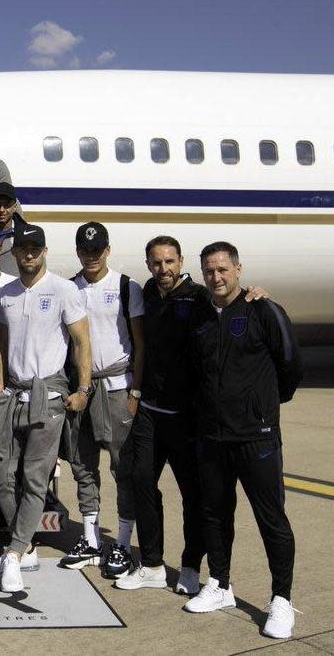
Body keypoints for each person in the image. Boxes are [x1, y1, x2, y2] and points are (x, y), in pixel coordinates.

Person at [184, 242, 302, 640]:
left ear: (238, 269)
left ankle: (281, 600)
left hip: (257, 437)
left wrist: (263, 409)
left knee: (272, 520)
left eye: (223, 270)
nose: (216, 278)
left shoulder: (263, 310)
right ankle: (220, 584)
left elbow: (290, 366)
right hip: (213, 437)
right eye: (209, 271)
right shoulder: (200, 316)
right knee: (215, 515)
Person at [0, 223, 92, 593]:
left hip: (49, 394)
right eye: (22, 249)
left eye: (35, 249)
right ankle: (24, 544)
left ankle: (14, 554)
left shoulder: (64, 290)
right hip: (11, 393)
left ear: (44, 252)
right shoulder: (5, 294)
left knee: (33, 477)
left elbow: (81, 341)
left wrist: (83, 388)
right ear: (13, 253)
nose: (28, 255)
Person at [113, 235, 207, 595]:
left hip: (185, 416)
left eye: (169, 262)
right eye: (156, 262)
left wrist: (255, 294)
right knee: (141, 483)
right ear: (148, 263)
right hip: (150, 411)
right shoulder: (148, 292)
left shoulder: (198, 299)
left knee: (192, 495)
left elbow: (232, 305)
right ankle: (152, 564)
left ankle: (189, 566)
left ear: (181, 262)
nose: (163, 269)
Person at [59, 222, 145, 578]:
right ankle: (92, 538)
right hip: (82, 387)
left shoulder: (127, 287)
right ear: (78, 252)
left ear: (107, 250)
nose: (91, 256)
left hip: (117, 387)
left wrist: (136, 392)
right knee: (82, 465)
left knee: (122, 469)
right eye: (84, 250)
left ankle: (123, 542)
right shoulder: (69, 288)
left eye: (97, 250)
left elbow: (141, 344)